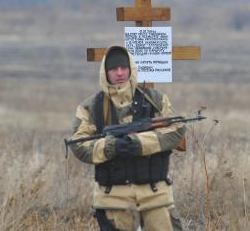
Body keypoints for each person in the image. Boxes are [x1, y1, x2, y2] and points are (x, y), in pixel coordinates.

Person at [69, 45, 185, 231]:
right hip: (113, 197)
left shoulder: (155, 99)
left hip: (155, 194)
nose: (120, 73)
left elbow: (177, 128)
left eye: (124, 68)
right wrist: (110, 147)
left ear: (131, 69)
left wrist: (139, 143)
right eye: (114, 69)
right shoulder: (91, 107)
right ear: (105, 73)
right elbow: (79, 144)